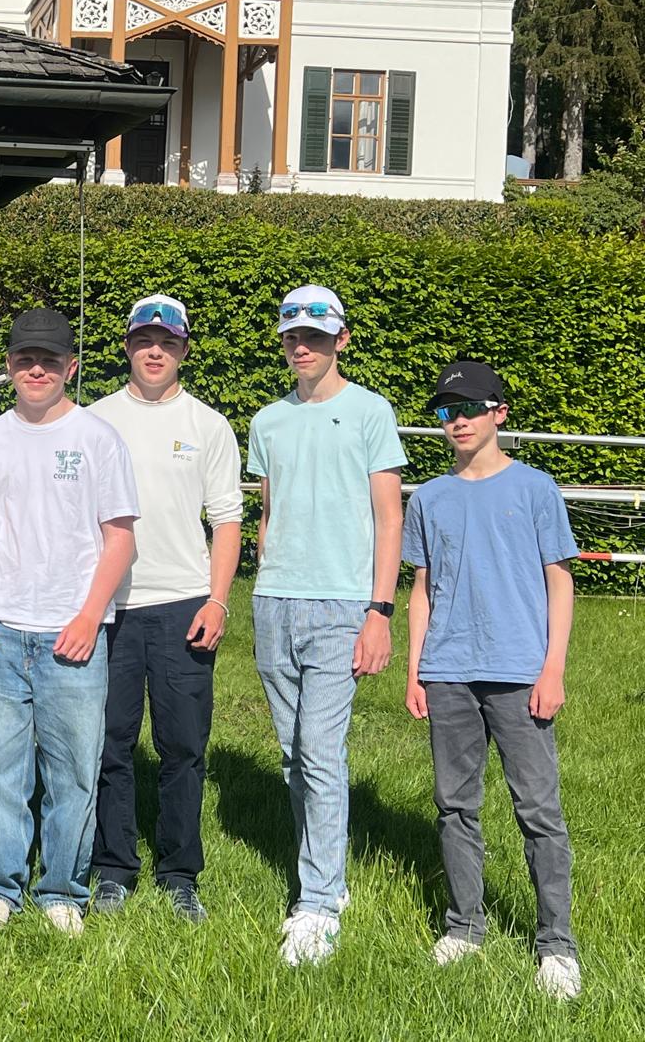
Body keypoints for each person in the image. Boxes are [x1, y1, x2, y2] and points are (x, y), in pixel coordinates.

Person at [402, 361, 581, 1000]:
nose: (459, 421)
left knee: (538, 810)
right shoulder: (427, 498)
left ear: (499, 413)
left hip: (519, 673)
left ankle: (556, 945)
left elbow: (559, 581)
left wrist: (551, 666)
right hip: (447, 672)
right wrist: (416, 667)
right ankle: (465, 926)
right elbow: (421, 590)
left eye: (471, 408)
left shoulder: (536, 488)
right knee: (455, 806)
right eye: (448, 411)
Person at [0, 308, 139, 937]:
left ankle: (63, 888)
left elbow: (119, 539)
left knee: (73, 769)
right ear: (8, 366)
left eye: (50, 361)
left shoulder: (98, 438)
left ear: (72, 367)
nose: (36, 370)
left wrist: (91, 617)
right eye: (24, 360)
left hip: (74, 633)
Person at [246, 284, 405, 966]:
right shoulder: (266, 421)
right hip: (275, 602)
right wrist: (265, 561)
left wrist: (379, 611)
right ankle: (328, 874)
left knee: (319, 750)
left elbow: (390, 518)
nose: (302, 345)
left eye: (315, 334)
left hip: (343, 606)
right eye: (292, 335)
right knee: (294, 756)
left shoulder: (371, 412)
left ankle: (316, 905)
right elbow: (269, 510)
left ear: (341, 338)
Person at [87, 295, 242, 923]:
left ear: (183, 350)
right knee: (110, 744)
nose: (156, 351)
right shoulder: (93, 421)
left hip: (183, 604)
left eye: (168, 342)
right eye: (145, 340)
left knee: (183, 747)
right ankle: (112, 870)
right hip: (111, 609)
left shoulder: (209, 426)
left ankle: (181, 874)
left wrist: (219, 600)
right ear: (127, 346)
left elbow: (227, 521)